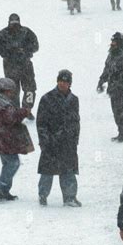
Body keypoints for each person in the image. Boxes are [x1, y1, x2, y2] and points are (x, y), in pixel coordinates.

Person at [37, 70, 81, 208]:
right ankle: (42, 195)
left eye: (65, 82)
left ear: (69, 84)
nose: (62, 84)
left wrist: (75, 139)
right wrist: (45, 141)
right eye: (60, 81)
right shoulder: (46, 99)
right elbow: (41, 123)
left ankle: (70, 197)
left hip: (68, 143)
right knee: (47, 172)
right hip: (51, 142)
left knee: (68, 171)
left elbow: (76, 121)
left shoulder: (74, 100)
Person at [0, 78, 34, 202]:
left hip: (1, 139)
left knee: (7, 164)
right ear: (6, 91)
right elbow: (11, 119)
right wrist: (24, 112)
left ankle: (3, 191)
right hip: (4, 139)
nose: (13, 93)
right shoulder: (3, 104)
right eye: (11, 90)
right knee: (13, 163)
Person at [0, 14, 39, 116]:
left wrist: (25, 50)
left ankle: (27, 109)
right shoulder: (3, 34)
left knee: (30, 88)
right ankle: (15, 111)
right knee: (12, 90)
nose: (14, 26)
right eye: (12, 24)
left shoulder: (26, 32)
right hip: (10, 66)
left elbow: (36, 46)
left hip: (25, 65)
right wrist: (8, 52)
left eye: (16, 24)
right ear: (8, 23)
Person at [97, 32, 123, 142]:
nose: (111, 44)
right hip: (113, 88)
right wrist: (101, 81)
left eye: (114, 42)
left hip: (122, 88)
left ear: (119, 44)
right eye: (112, 42)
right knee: (116, 110)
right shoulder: (111, 55)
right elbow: (107, 70)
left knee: (118, 109)